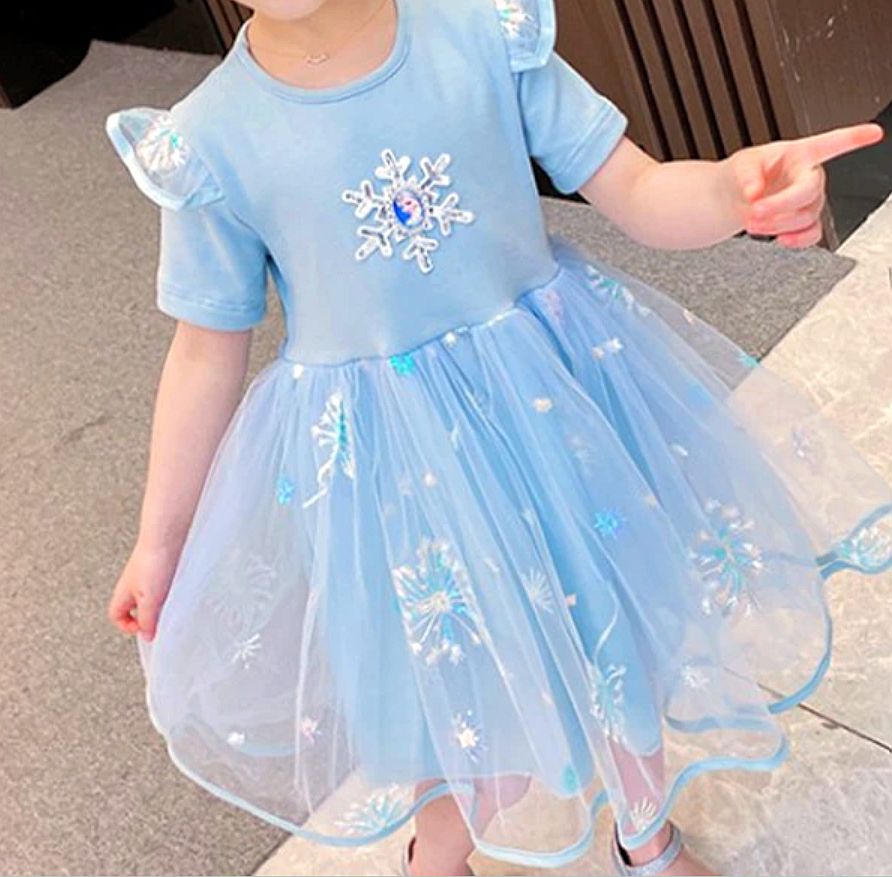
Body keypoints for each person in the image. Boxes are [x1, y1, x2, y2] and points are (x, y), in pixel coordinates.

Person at [104, 1, 890, 875]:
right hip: (401, 471)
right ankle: (436, 858)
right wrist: (161, 541)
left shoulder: (482, 30)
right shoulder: (209, 142)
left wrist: (732, 191)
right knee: (459, 708)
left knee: (616, 631)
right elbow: (205, 351)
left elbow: (637, 191)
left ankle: (646, 836)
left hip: (557, 411)